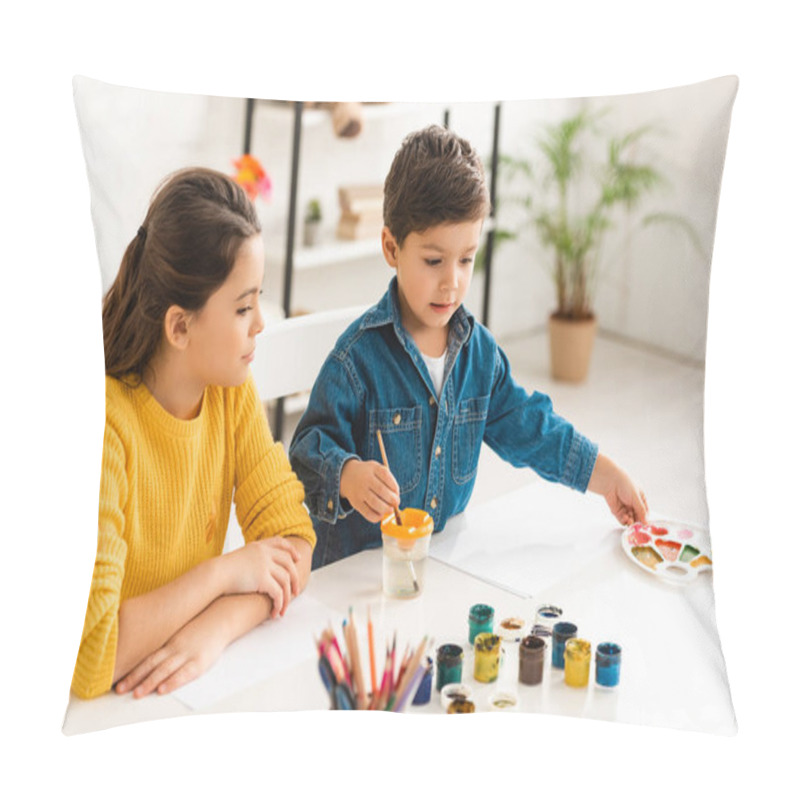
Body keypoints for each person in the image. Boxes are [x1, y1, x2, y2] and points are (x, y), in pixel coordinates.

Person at [289, 125, 648, 569]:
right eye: (434, 260)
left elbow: (533, 428)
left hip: (438, 566)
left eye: (466, 259)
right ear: (391, 247)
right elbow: (305, 450)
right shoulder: (356, 360)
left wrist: (605, 474)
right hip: (357, 576)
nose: (452, 281)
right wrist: (346, 476)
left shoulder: (480, 356)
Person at [71, 167, 316, 700]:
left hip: (174, 692)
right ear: (180, 326)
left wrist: (217, 627)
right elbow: (91, 654)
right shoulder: (105, 427)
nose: (260, 326)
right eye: (243, 307)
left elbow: (293, 544)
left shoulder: (228, 388)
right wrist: (223, 575)